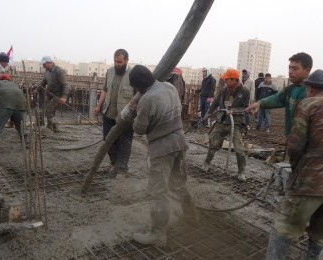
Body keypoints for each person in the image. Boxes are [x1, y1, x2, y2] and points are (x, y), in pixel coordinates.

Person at [265, 69, 323, 260]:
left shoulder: (307, 105)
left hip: (311, 182)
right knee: (320, 235)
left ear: (310, 88)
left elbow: (295, 145)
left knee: (283, 228)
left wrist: (296, 170)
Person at [129, 65, 197, 246]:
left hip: (162, 149)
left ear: (138, 87)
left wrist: (136, 110)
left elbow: (139, 129)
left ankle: (158, 233)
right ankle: (191, 216)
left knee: (157, 191)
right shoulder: (169, 87)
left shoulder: (147, 99)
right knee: (178, 183)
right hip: (179, 143)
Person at [245, 52, 313, 137]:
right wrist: (259, 103)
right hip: (292, 141)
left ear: (307, 70)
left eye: (295, 69)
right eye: (289, 68)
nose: (290, 72)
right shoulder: (291, 89)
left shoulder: (312, 93)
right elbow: (278, 98)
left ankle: (267, 127)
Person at [202, 69, 250, 181]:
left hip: (236, 123)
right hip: (222, 121)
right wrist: (208, 113)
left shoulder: (245, 92)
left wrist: (234, 110)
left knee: (239, 149)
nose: (225, 81)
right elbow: (215, 103)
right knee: (213, 143)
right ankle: (207, 163)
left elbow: (246, 108)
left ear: (235, 80)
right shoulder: (224, 90)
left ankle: (241, 172)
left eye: (227, 79)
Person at [93, 49, 135, 177]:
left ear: (127, 60)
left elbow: (139, 95)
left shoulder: (133, 74)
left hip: (125, 116)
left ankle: (122, 168)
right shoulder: (110, 72)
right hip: (109, 114)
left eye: (120, 62)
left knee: (124, 143)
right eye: (115, 61)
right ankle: (114, 164)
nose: (117, 64)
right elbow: (105, 90)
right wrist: (99, 106)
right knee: (108, 141)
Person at [38, 56, 69, 133]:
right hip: (49, 94)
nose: (43, 66)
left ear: (49, 63)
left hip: (57, 95)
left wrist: (64, 97)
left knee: (49, 110)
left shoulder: (59, 71)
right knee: (50, 111)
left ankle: (50, 127)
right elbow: (44, 81)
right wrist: (37, 89)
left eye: (44, 64)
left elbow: (65, 85)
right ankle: (54, 128)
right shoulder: (47, 71)